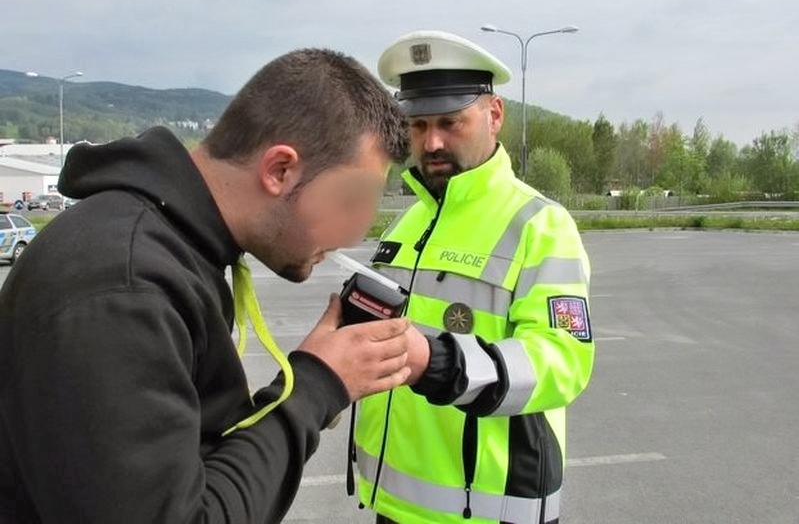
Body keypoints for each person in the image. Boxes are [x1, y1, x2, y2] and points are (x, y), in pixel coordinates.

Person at [0, 48, 429, 523]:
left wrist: (311, 382)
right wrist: (317, 387)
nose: (355, 233)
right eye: (351, 199)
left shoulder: (171, 248)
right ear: (280, 170)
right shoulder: (123, 288)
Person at [351, 30, 596, 524]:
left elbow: (563, 360)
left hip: (488, 509)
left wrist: (441, 364)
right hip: (395, 503)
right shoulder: (408, 221)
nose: (432, 142)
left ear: (494, 114)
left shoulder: (540, 226)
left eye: (450, 122)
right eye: (418, 126)